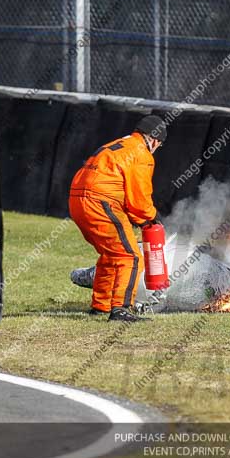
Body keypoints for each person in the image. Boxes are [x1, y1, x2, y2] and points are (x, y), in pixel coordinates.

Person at [69, 115, 167, 322]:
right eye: (160, 145)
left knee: (112, 254)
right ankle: (121, 309)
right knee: (130, 257)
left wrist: (139, 217)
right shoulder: (142, 153)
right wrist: (151, 217)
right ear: (155, 140)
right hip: (100, 202)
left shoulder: (119, 144)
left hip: (77, 201)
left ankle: (102, 305)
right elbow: (139, 199)